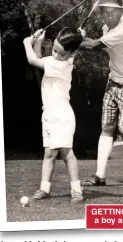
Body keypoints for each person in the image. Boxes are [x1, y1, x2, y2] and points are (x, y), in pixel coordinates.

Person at [79, 0, 123, 192]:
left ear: (121, 13)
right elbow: (104, 47)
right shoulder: (107, 28)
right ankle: (99, 176)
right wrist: (84, 39)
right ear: (101, 14)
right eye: (105, 13)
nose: (109, 16)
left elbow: (93, 45)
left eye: (113, 13)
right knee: (107, 127)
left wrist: (76, 39)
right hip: (114, 80)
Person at [22, 27, 84, 203]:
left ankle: (76, 190)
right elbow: (40, 58)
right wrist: (40, 42)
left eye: (62, 53)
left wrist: (27, 43)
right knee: (49, 154)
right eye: (54, 50)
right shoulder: (57, 60)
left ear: (71, 54)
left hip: (62, 116)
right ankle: (45, 188)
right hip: (49, 115)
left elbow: (33, 60)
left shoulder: (62, 65)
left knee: (67, 153)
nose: (56, 55)